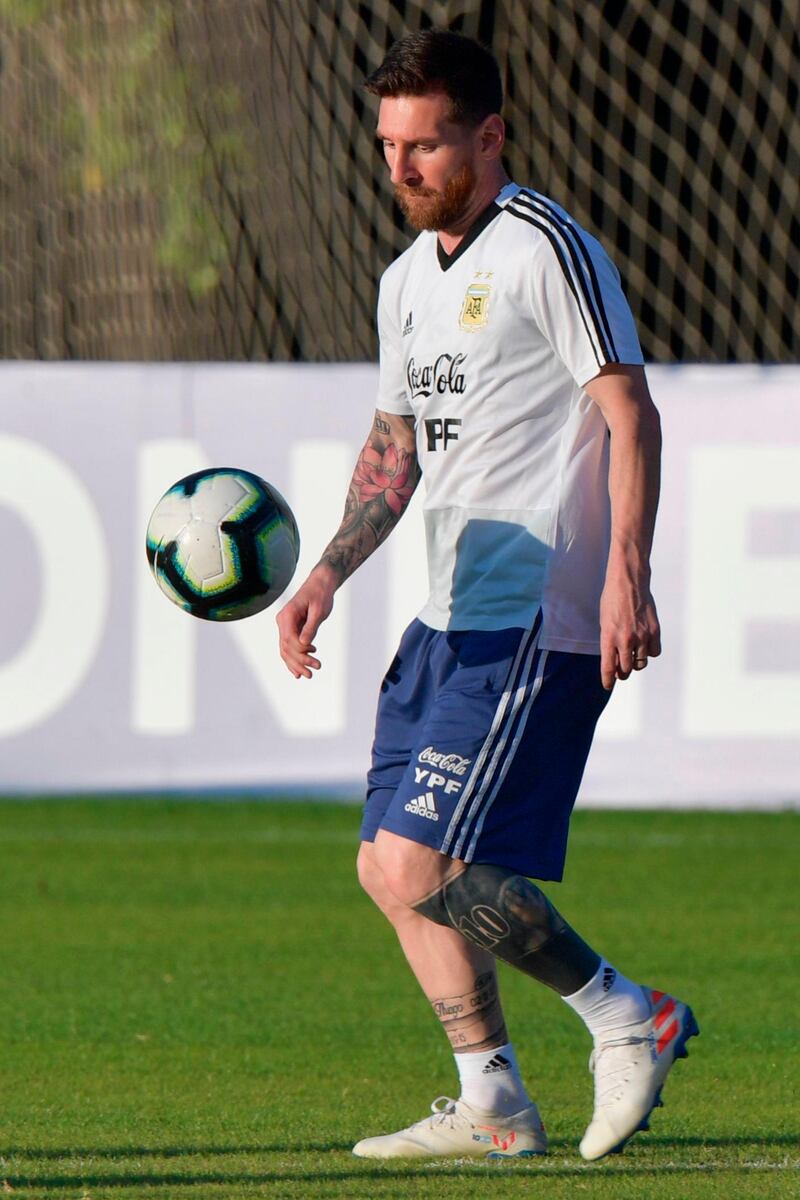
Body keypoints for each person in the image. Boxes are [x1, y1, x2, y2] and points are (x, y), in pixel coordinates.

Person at [276, 28, 697, 1163]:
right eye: (388, 145)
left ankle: (627, 1015)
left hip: (536, 611)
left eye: (426, 144)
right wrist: (325, 570)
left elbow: (627, 411)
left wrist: (625, 577)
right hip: (446, 613)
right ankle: (492, 1100)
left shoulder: (544, 247)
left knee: (425, 862)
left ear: (489, 133)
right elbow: (395, 447)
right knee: (383, 868)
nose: (402, 168)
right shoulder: (404, 282)